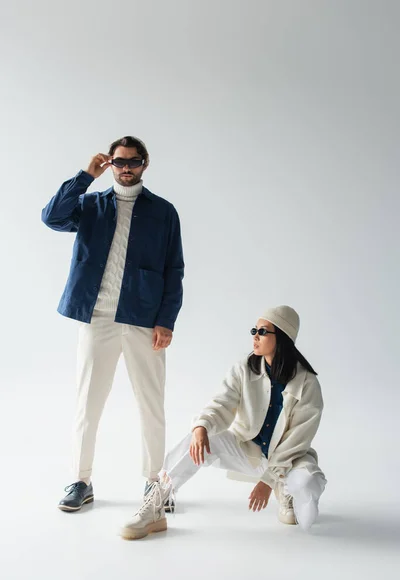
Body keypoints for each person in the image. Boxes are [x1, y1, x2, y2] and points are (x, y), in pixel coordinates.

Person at [42, 136, 184, 511]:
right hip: (96, 318)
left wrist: (166, 320)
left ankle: (156, 482)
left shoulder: (163, 212)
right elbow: (52, 217)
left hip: (143, 320)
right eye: (118, 162)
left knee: (151, 404)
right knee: (87, 403)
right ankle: (80, 481)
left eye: (133, 162)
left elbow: (175, 268)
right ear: (110, 164)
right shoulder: (90, 205)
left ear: (145, 164)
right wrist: (85, 176)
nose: (125, 168)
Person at [120, 305, 327, 540]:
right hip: (249, 451)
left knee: (308, 481)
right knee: (196, 440)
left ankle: (287, 490)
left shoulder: (307, 383)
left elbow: (297, 439)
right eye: (254, 330)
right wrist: (202, 427)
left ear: (282, 337)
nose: (255, 337)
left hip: (289, 459)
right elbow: (221, 404)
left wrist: (269, 481)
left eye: (262, 331)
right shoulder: (243, 370)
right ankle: (157, 504)